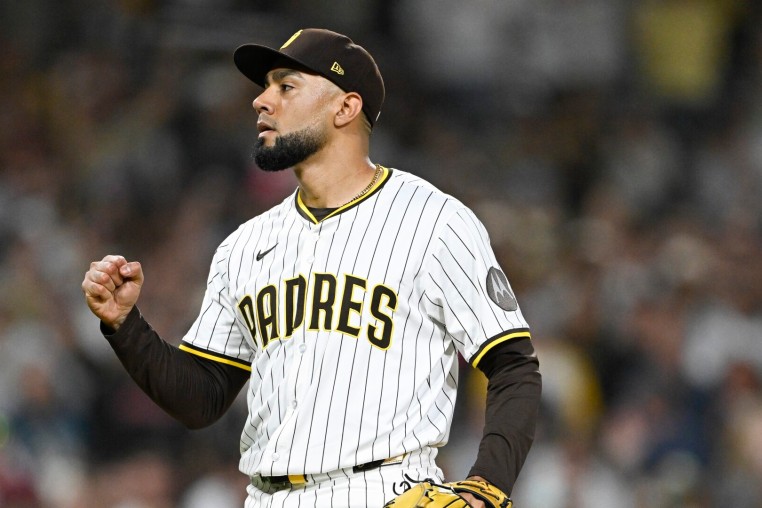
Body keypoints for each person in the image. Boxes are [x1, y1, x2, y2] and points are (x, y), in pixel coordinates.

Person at [81, 28, 541, 507]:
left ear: (345, 107)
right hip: (267, 497)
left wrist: (486, 486)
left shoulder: (433, 220)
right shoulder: (244, 245)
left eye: (286, 86)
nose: (261, 101)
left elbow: (513, 366)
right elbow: (202, 398)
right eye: (265, 87)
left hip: (381, 491)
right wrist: (124, 325)